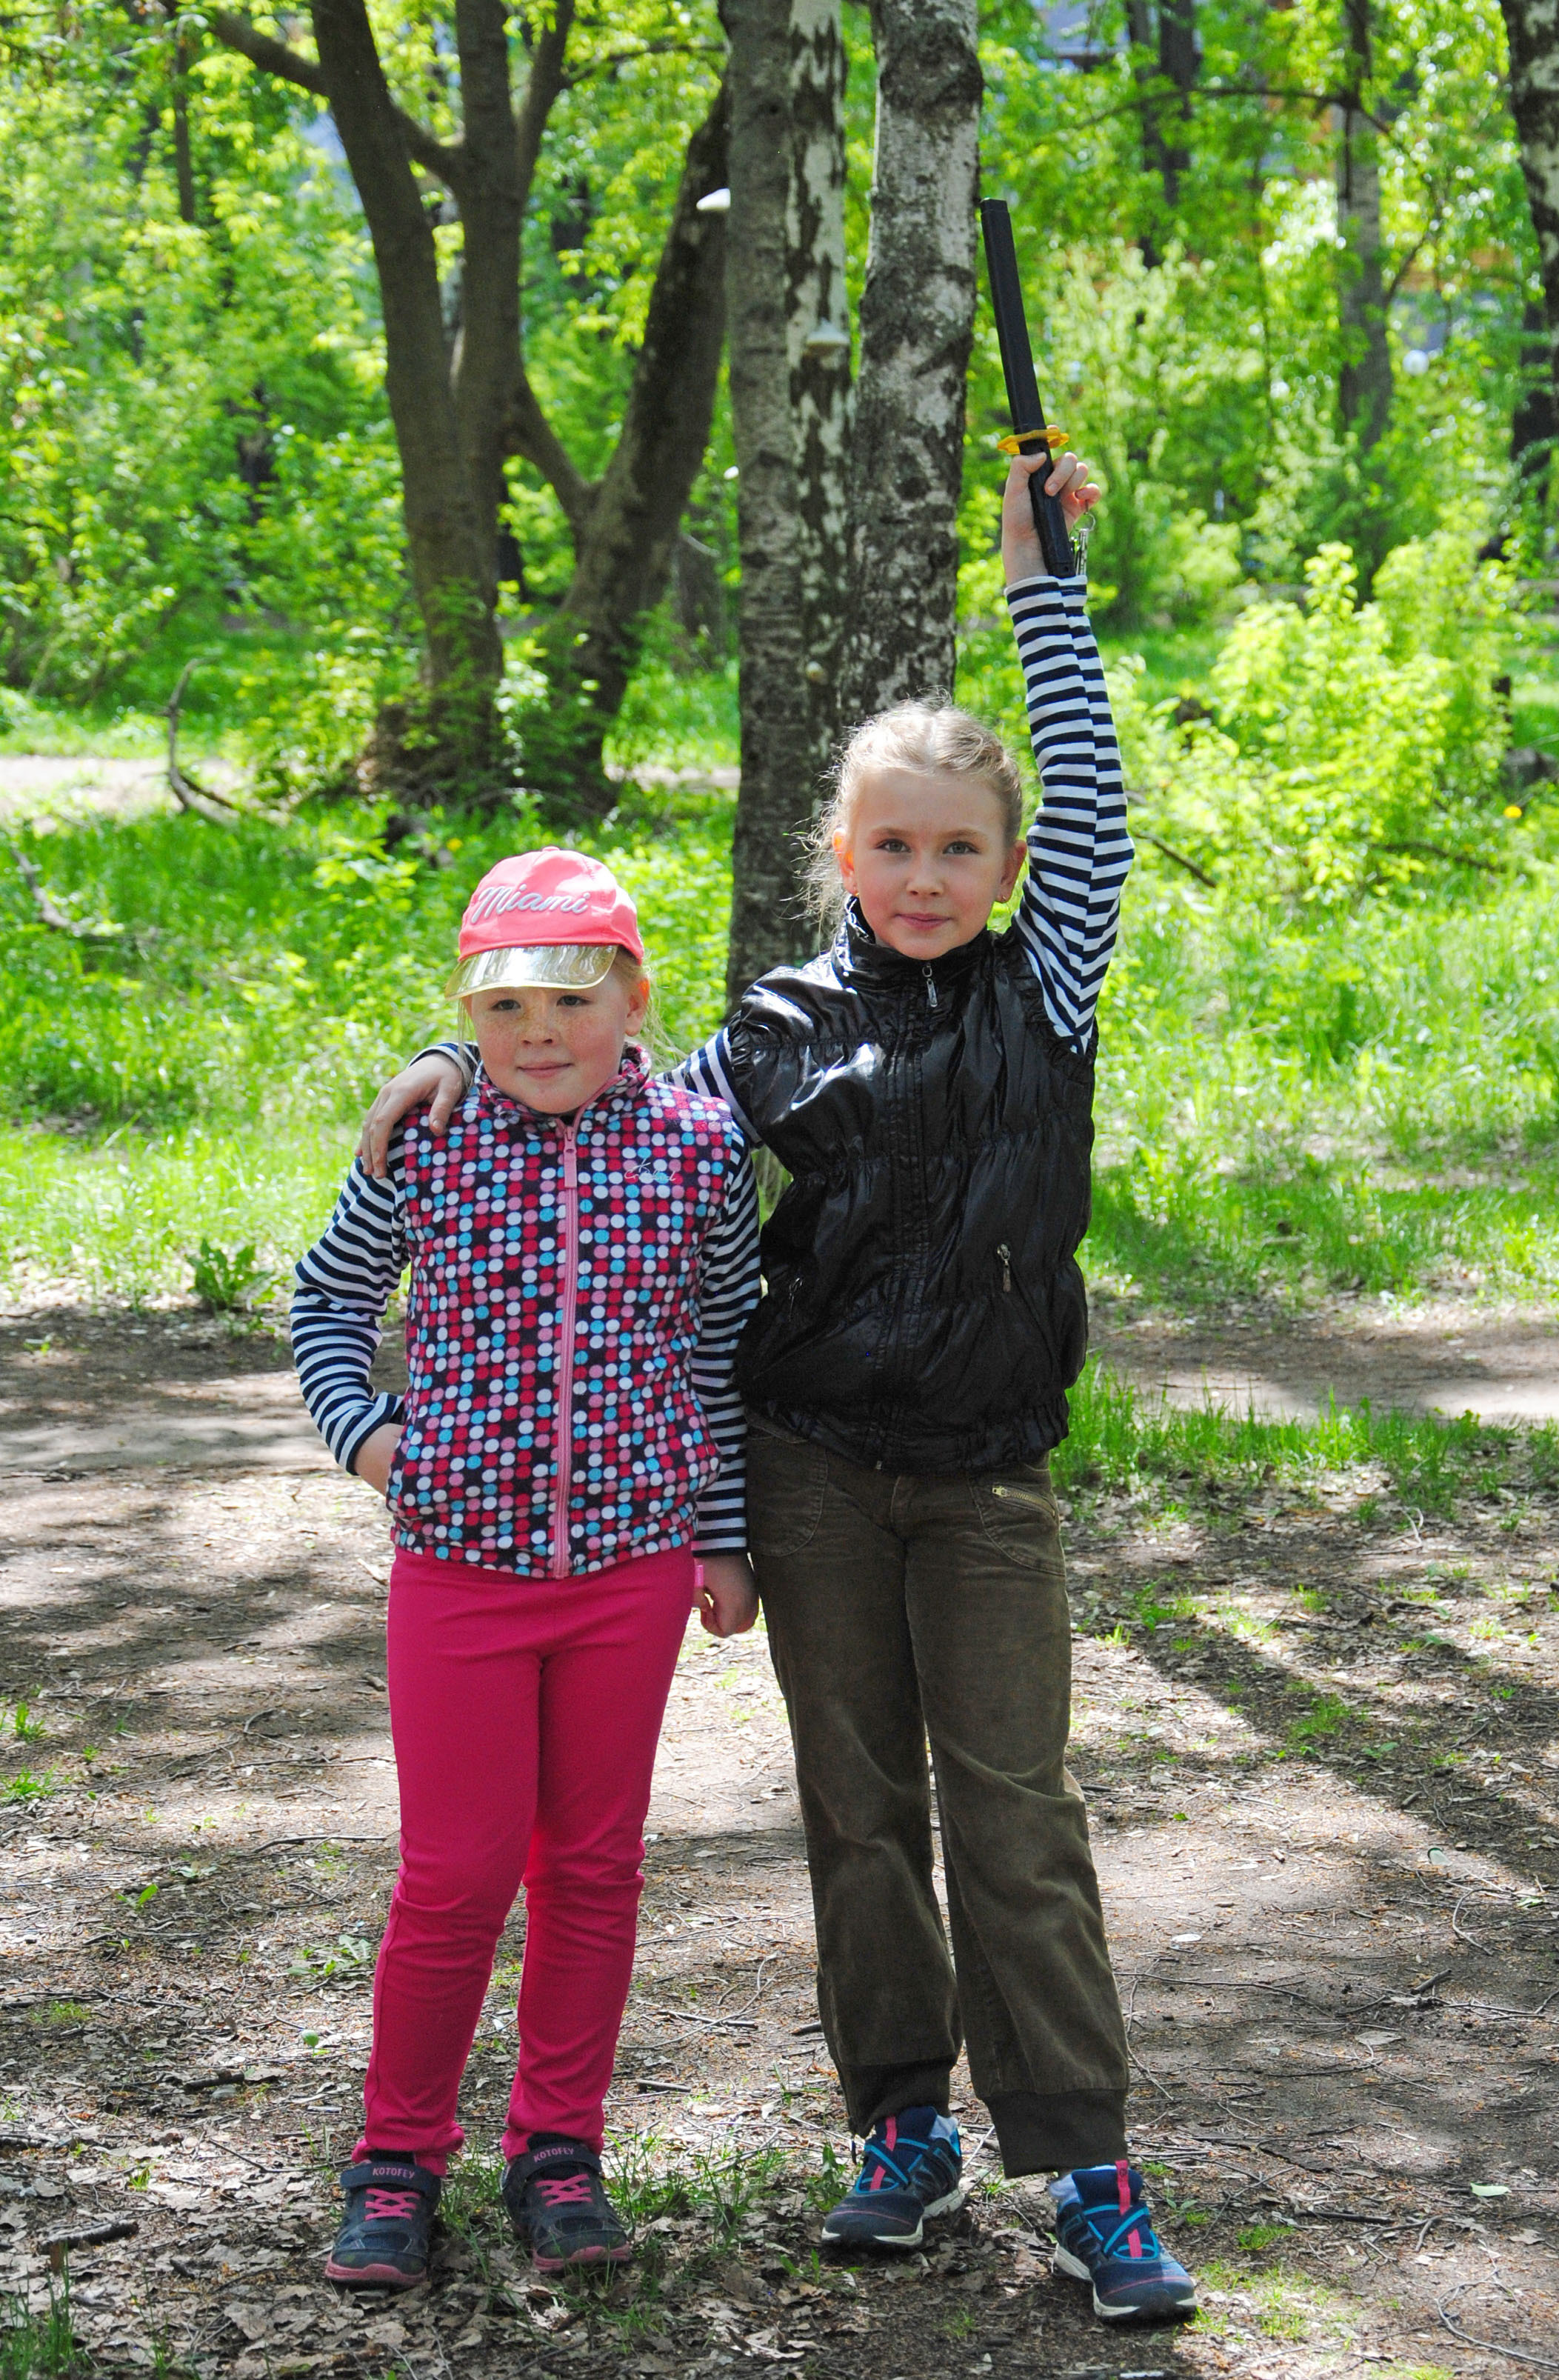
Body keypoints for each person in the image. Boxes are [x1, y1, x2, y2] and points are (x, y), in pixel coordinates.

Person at [358, 455, 1196, 2326]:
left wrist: (1034, 582)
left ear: (1008, 866)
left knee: (1012, 1810)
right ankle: (900, 2126)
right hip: (809, 1463)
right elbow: (578, 1056)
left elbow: (1098, 805)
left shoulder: (1044, 990)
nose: (922, 876)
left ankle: (1081, 2157)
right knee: (854, 1806)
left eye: (957, 847)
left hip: (982, 1473)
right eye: (888, 846)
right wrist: (448, 1046)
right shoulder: (772, 1029)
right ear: (840, 855)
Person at [290, 847, 758, 2293]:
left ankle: (558, 2146)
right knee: (456, 1871)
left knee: (594, 1863)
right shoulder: (422, 1141)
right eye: (503, 1004)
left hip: (632, 1564)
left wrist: (725, 1533)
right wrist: (378, 1447)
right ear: (465, 1012)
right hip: (460, 1574)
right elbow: (328, 1299)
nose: (539, 1030)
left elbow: (720, 1347)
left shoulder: (695, 1147)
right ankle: (396, 2157)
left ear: (633, 997)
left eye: (573, 994)